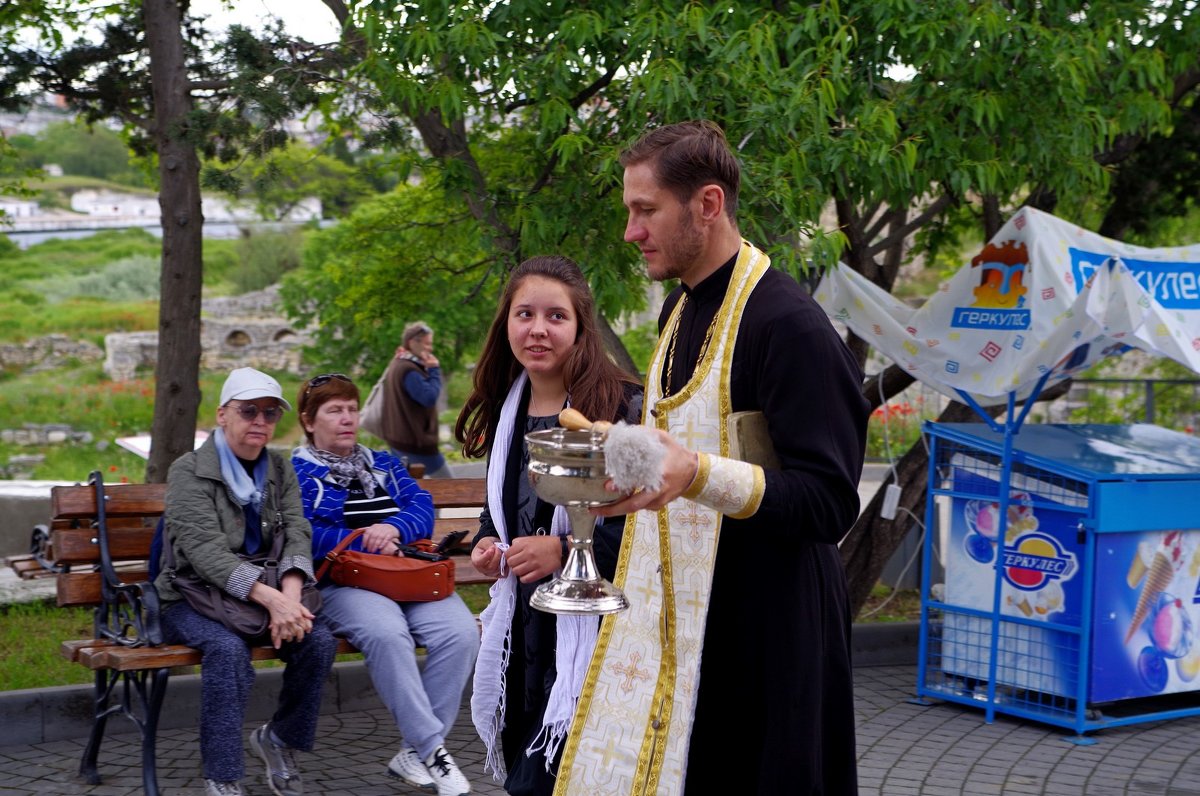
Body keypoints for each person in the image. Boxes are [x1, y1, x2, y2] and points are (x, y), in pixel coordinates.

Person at [556, 121, 870, 794]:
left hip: (772, 633)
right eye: (628, 212)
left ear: (706, 204)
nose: (630, 232)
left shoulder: (788, 324)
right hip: (692, 628)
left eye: (645, 211)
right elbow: (679, 448)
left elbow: (831, 501)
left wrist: (697, 475)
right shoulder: (682, 306)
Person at [455, 255, 643, 796]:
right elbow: (501, 510)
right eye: (525, 314)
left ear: (581, 327)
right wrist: (490, 543)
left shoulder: (619, 408)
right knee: (524, 760)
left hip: (594, 635)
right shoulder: (504, 408)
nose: (538, 329)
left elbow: (650, 527)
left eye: (556, 316)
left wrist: (563, 551)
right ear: (506, 324)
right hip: (523, 634)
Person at [291, 372, 479, 796]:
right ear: (308, 421)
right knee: (387, 633)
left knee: (461, 633)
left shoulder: (384, 464)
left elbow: (421, 507)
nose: (347, 418)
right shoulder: (296, 475)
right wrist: (362, 541)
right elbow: (303, 533)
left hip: (405, 575)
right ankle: (434, 752)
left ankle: (412, 754)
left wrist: (392, 529)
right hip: (345, 584)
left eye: (352, 409)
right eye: (334, 410)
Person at [156, 367, 338, 796]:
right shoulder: (189, 471)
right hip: (189, 596)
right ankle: (222, 776)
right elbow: (203, 554)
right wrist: (272, 600)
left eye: (271, 413)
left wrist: (291, 596)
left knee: (319, 641)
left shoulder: (279, 467)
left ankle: (278, 740)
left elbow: (297, 530)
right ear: (222, 414)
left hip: (265, 593)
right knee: (226, 650)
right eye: (249, 410)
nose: (260, 421)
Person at [380, 321, 452, 477]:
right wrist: (433, 370)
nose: (430, 349)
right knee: (450, 488)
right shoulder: (409, 369)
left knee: (412, 491)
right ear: (412, 342)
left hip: (399, 440)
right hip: (416, 444)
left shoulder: (397, 363)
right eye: (427, 344)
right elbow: (429, 398)